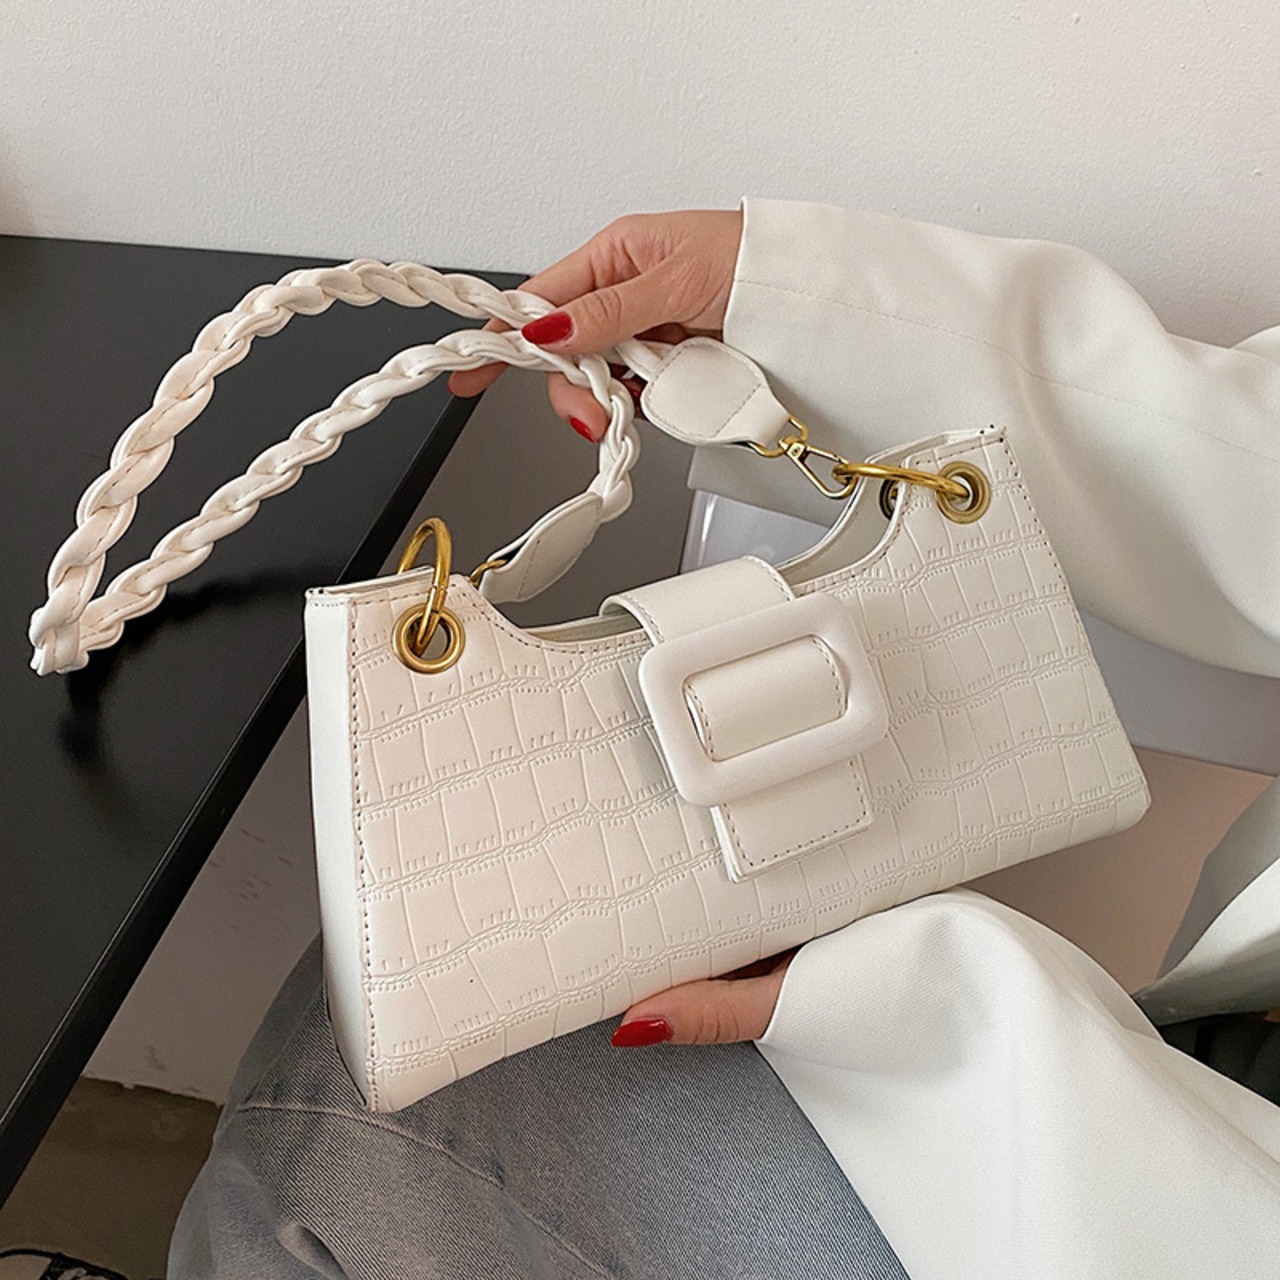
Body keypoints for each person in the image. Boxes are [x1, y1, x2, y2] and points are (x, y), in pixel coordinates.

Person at [170, 200, 1280, 1279]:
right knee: (380, 1026)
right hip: (1201, 1083)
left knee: (332, 1125)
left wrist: (928, 995)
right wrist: (778, 301)